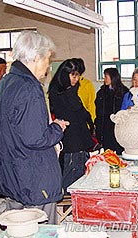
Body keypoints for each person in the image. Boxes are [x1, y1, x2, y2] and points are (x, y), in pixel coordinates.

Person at [0, 30, 69, 224]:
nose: (48, 65)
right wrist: (57, 128)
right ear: (36, 57)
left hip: (13, 172)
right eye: (47, 59)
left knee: (19, 230)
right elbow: (36, 138)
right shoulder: (29, 87)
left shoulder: (6, 82)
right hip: (32, 175)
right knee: (42, 234)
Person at [48, 59, 94, 193]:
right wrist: (72, 91)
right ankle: (67, 199)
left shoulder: (70, 89)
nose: (76, 79)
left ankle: (77, 199)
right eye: (73, 75)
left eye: (78, 75)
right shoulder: (58, 90)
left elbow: (81, 111)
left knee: (81, 169)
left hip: (79, 136)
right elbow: (73, 109)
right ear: (65, 74)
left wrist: (90, 122)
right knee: (71, 170)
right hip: (70, 138)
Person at [95, 68, 128, 154]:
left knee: (120, 152)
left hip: (118, 126)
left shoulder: (123, 92)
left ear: (113, 77)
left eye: (106, 77)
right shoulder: (101, 92)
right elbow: (98, 111)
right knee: (108, 154)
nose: (104, 79)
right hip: (105, 127)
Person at [72, 58, 96, 122]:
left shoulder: (87, 84)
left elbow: (91, 104)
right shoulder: (66, 84)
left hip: (84, 120)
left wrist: (92, 121)